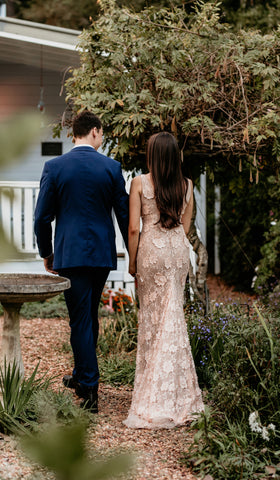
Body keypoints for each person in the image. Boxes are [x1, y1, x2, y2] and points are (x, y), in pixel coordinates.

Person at [34, 110, 129, 413]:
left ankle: (89, 388)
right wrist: (134, 255)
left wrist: (46, 253)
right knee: (88, 315)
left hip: (70, 255)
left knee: (80, 318)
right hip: (101, 254)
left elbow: (41, 218)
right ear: (95, 132)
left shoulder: (55, 167)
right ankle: (81, 377)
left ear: (74, 133)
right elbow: (125, 216)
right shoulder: (111, 167)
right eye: (103, 133)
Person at [123, 132, 204, 428]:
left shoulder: (139, 183)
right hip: (177, 252)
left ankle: (154, 394)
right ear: (175, 156)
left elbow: (134, 228)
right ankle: (179, 395)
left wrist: (132, 263)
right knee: (174, 317)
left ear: (152, 156)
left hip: (151, 253)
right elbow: (185, 225)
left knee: (154, 322)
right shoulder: (187, 185)